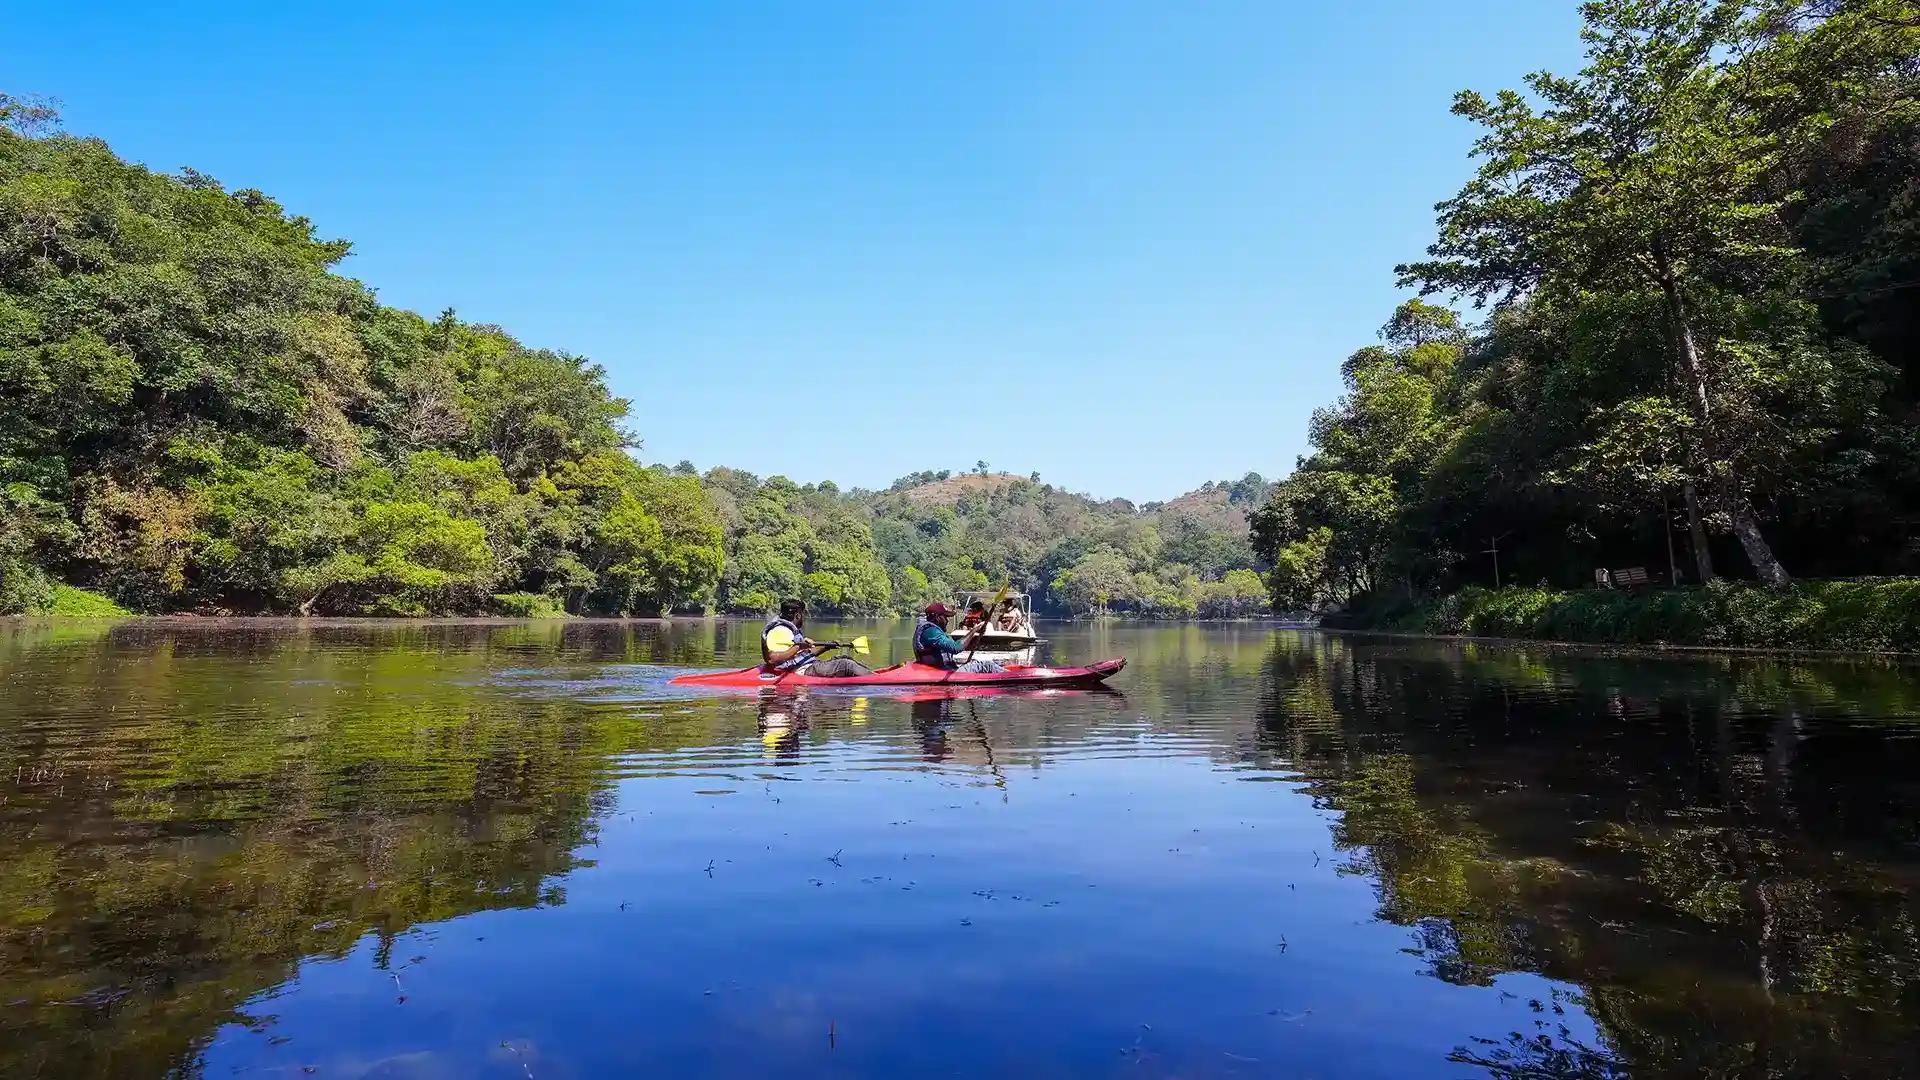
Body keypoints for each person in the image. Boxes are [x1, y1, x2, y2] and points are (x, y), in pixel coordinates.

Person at [762, 599, 873, 678]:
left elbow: (805, 654)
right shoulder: (780, 630)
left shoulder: (788, 630)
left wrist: (829, 646)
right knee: (845, 665)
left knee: (845, 658)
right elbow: (772, 659)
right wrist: (798, 646)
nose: (804, 618)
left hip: (804, 665)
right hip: (801, 670)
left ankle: (874, 675)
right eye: (803, 614)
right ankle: (877, 679)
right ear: (798, 615)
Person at [912, 602, 1007, 673]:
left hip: (941, 669)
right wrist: (974, 630)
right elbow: (955, 648)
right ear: (937, 617)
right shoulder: (931, 631)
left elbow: (954, 648)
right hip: (941, 672)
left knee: (976, 663)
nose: (947, 621)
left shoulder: (929, 630)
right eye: (945, 617)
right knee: (987, 665)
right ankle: (1015, 677)